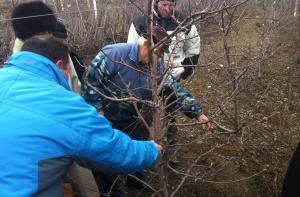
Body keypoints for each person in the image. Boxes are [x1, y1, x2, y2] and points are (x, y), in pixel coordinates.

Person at [0, 35, 162, 197]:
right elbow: (109, 149)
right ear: (60, 65)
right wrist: (150, 151)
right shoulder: (63, 104)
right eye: (68, 73)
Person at [82, 40, 210, 194]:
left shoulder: (156, 66)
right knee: (105, 156)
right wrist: (99, 115)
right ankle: (111, 188)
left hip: (131, 115)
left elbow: (173, 89)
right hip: (105, 117)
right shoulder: (112, 55)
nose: (160, 57)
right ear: (145, 45)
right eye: (158, 52)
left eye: (162, 53)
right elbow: (90, 83)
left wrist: (197, 112)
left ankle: (134, 179)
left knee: (135, 147)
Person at [11, 1, 81, 92]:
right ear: (26, 36)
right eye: (42, 33)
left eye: (50, 32)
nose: (48, 36)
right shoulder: (18, 63)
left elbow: (74, 83)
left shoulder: (56, 49)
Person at [127, 0, 201, 80]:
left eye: (171, 5)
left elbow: (194, 48)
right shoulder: (140, 22)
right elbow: (131, 50)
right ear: (156, 3)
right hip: (147, 76)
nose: (167, 9)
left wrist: (186, 70)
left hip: (175, 74)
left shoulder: (184, 21)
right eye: (164, 5)